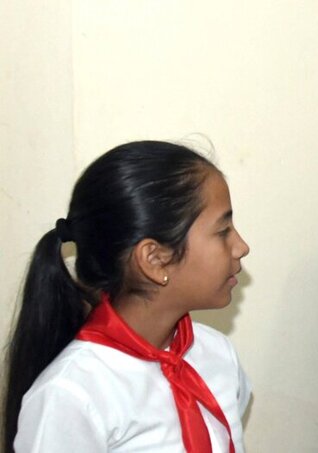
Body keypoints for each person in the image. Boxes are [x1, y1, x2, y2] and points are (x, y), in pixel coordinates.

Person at [3, 141, 252, 452]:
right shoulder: (72, 394)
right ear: (154, 259)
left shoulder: (216, 353)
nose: (241, 246)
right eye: (223, 230)